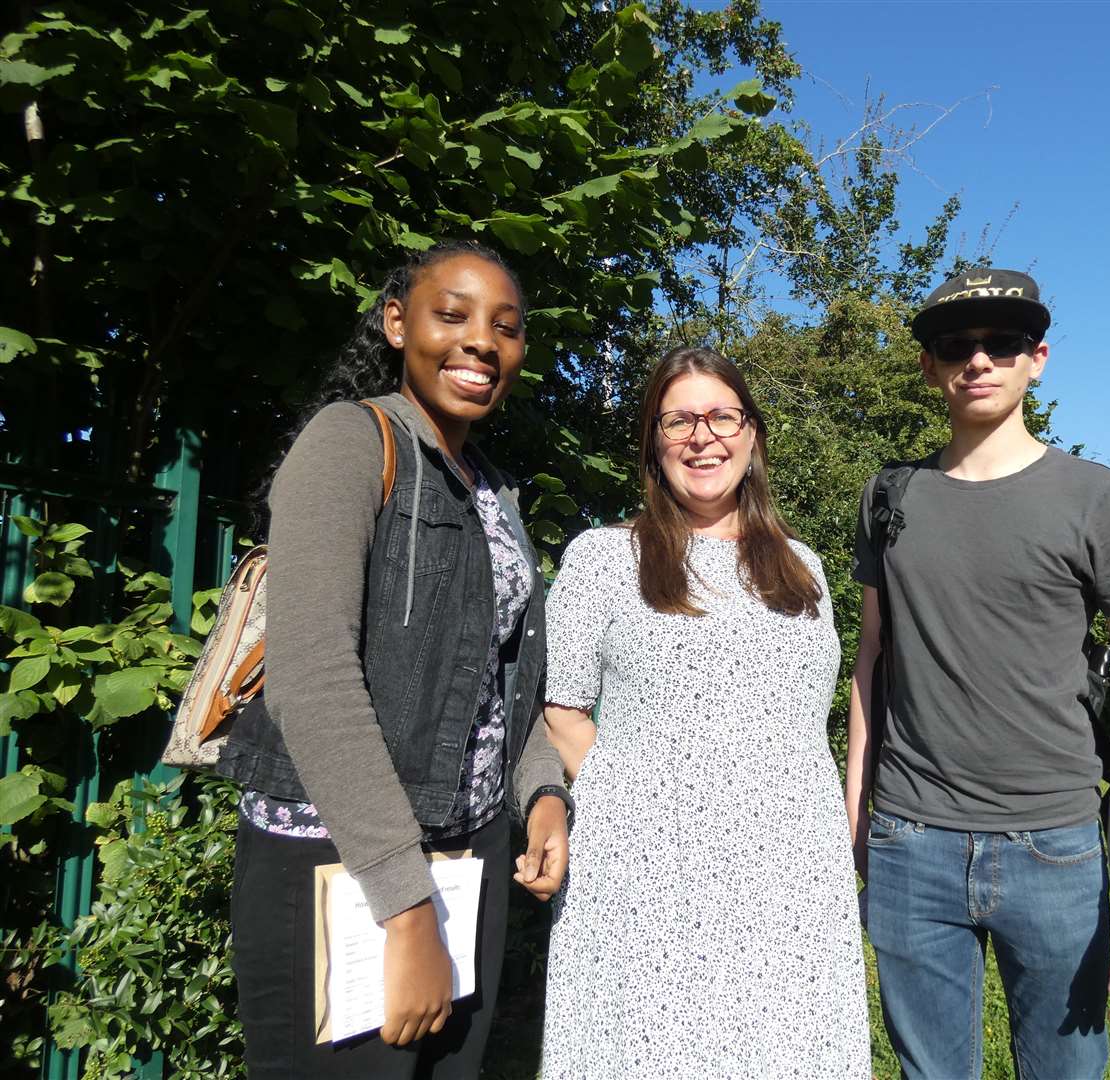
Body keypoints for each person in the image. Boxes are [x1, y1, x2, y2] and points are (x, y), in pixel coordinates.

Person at [216, 240, 573, 1079]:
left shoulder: (494, 490)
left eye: (505, 327)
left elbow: (500, 684)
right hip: (342, 868)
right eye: (452, 315)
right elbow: (313, 679)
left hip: (468, 860)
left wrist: (544, 794)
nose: (481, 341)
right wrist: (404, 903)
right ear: (395, 322)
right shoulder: (349, 444)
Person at [847, 269, 1110, 1079]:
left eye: (1001, 342)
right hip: (910, 841)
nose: (979, 360)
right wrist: (856, 818)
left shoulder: (1100, 500)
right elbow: (872, 663)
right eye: (955, 345)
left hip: (1056, 851)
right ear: (930, 367)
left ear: (1037, 358)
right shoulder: (889, 496)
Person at [539, 346, 870, 1078]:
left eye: (722, 416)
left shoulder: (801, 564)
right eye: (678, 420)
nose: (702, 436)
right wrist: (641, 803)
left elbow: (800, 718)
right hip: (648, 874)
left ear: (752, 435)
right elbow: (559, 707)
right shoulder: (603, 558)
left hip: (791, 873)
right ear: (653, 444)